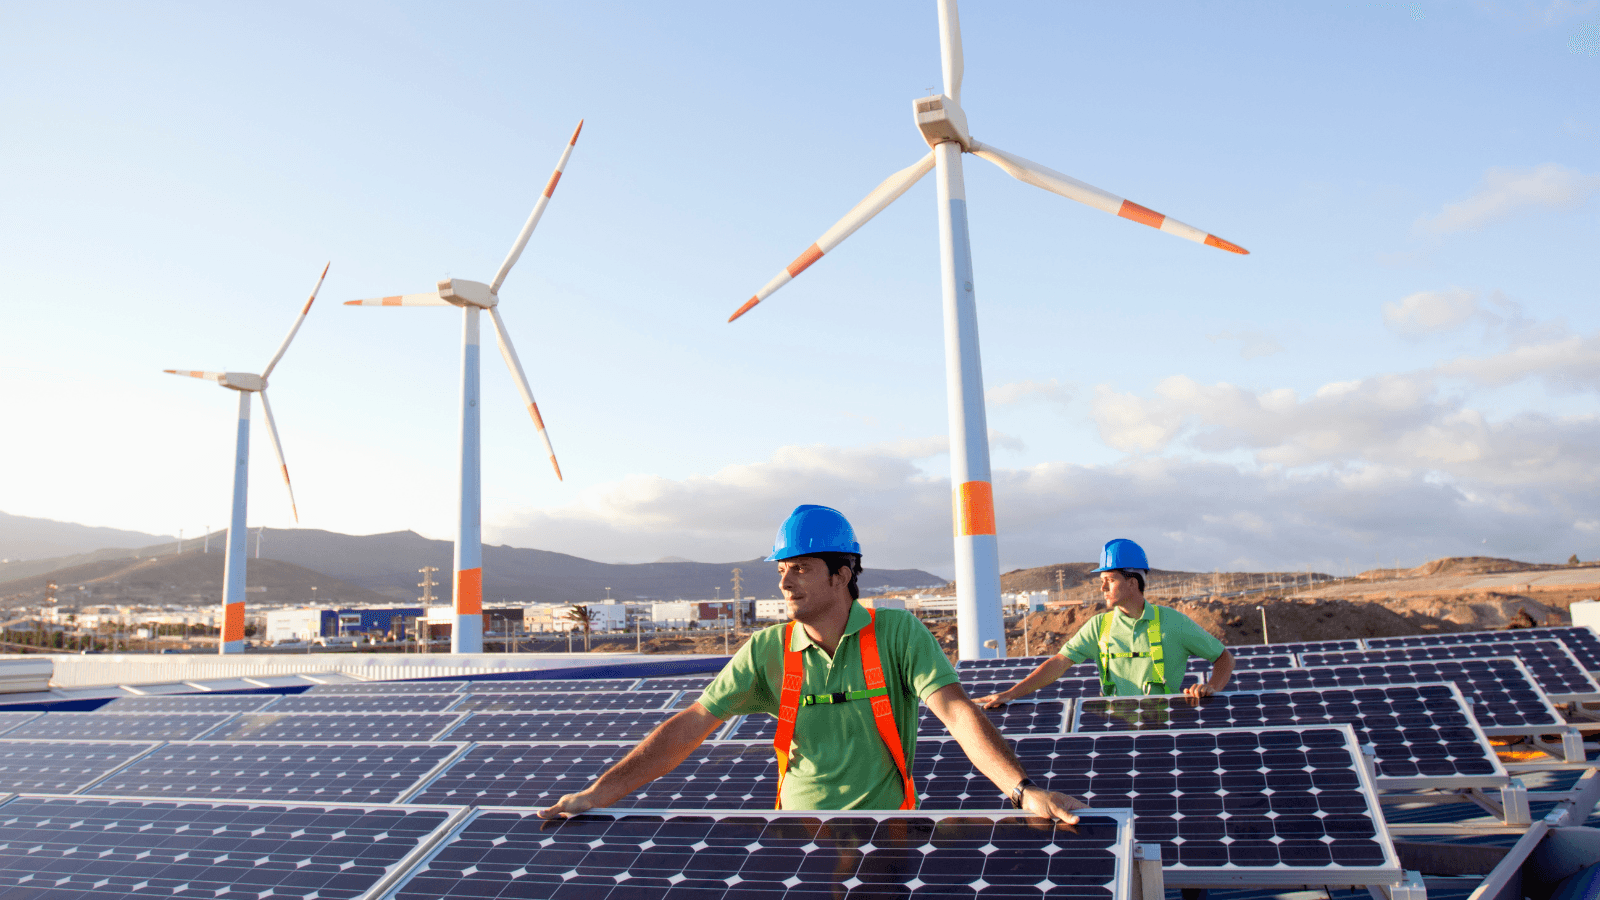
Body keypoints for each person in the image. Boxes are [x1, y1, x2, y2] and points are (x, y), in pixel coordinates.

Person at [539, 504, 1086, 822]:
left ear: (842, 573)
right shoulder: (766, 649)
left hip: (885, 831)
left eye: (800, 568)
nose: (784, 581)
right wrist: (597, 793)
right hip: (797, 831)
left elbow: (957, 714)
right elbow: (689, 726)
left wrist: (1021, 791)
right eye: (782, 569)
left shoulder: (897, 632)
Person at [975, 538, 1234, 708]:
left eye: (1109, 579)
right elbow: (1057, 664)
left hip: (1165, 732)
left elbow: (1223, 658)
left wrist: (1211, 688)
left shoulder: (1174, 623)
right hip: (1115, 731)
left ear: (1132, 582)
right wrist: (1010, 693)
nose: (1102, 587)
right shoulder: (1099, 626)